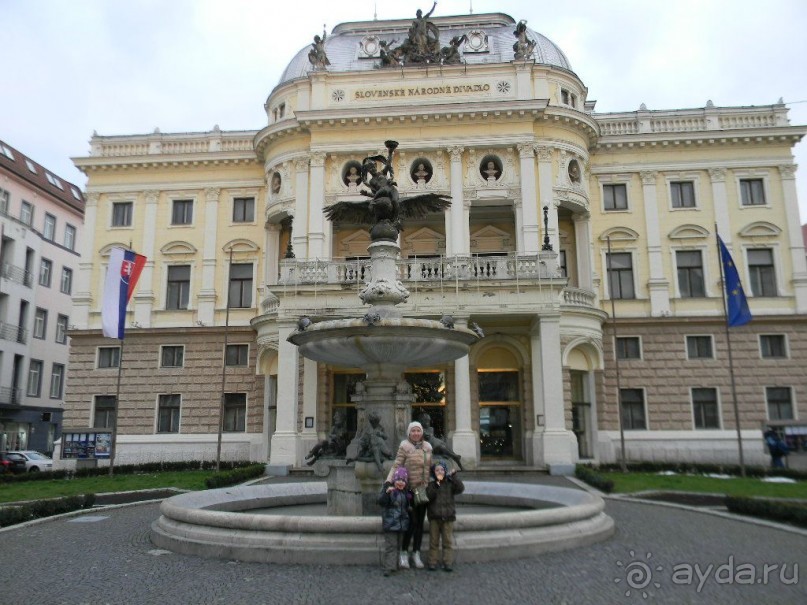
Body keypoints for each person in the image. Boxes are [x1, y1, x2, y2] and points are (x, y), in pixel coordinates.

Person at [386, 420, 433, 569]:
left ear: (422, 432)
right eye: (413, 431)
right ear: (409, 433)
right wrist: (389, 481)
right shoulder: (405, 447)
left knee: (420, 524)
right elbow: (397, 464)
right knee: (411, 523)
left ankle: (416, 553)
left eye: (418, 430)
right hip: (409, 492)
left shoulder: (427, 447)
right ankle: (404, 553)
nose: (416, 433)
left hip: (423, 491)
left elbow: (431, 468)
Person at [425, 461, 464, 572]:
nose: (440, 472)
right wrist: (437, 484)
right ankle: (432, 562)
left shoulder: (450, 483)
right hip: (435, 517)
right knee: (433, 542)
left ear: (445, 471)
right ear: (434, 473)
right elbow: (428, 496)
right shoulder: (432, 485)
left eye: (442, 470)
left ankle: (447, 562)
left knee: (447, 542)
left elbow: (460, 488)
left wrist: (454, 477)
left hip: (448, 517)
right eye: (437, 470)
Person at [377, 467, 412, 576]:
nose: (400, 482)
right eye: (398, 480)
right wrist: (387, 493)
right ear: (394, 481)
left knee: (398, 545)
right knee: (391, 546)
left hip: (401, 525)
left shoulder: (406, 494)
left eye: (403, 480)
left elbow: (406, 507)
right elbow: (381, 501)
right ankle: (389, 567)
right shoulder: (390, 491)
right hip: (391, 524)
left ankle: (395, 565)